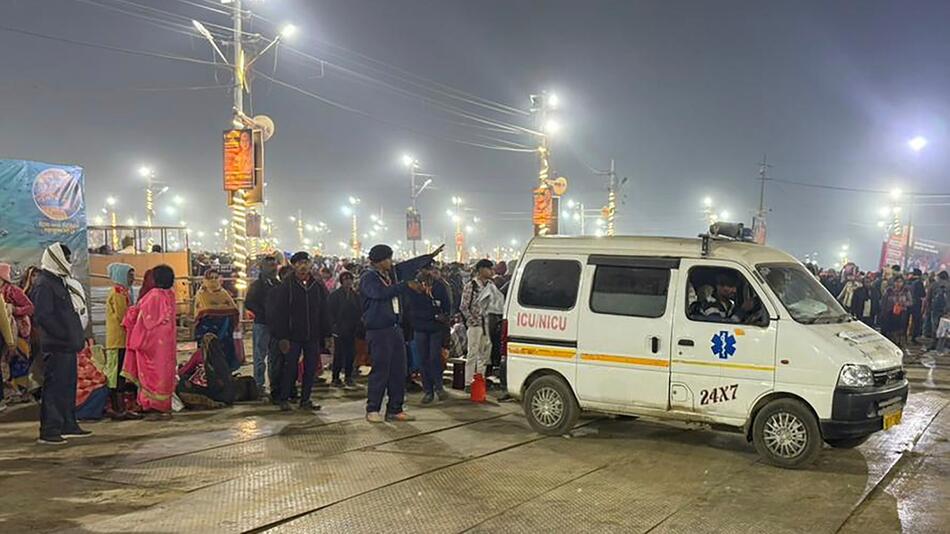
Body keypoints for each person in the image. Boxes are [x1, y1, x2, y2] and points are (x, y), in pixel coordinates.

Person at [30, 243, 89, 444]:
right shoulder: (44, 283)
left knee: (67, 386)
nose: (69, 261)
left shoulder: (60, 281)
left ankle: (68, 424)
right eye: (66, 257)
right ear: (56, 258)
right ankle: (50, 429)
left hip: (67, 345)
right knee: (55, 388)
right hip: (56, 346)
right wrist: (63, 334)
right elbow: (43, 316)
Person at [360, 244, 422, 422]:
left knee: (398, 370)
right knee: (381, 370)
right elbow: (379, 294)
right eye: (388, 258)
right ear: (379, 261)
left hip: (395, 328)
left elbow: (407, 268)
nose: (390, 261)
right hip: (379, 330)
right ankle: (373, 409)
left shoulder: (389, 276)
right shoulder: (369, 278)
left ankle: (395, 408)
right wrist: (403, 286)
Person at [266, 251, 331, 412]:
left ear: (310, 265)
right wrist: (282, 337)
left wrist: (327, 334)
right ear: (293, 266)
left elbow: (324, 311)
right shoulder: (286, 286)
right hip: (292, 336)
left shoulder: (317, 286)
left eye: (305, 263)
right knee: (289, 368)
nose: (303, 266)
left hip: (312, 336)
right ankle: (284, 398)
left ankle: (305, 399)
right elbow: (279, 313)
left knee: (310, 370)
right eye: (299, 263)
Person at [121, 265, 177, 418]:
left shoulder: (153, 296)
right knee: (165, 371)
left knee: (151, 373)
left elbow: (143, 319)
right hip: (166, 343)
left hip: (151, 342)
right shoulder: (170, 295)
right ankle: (164, 404)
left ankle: (150, 404)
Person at [406, 267, 451, 404]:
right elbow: (411, 310)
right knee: (423, 360)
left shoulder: (439, 286)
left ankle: (439, 387)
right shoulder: (414, 288)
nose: (426, 272)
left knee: (434, 359)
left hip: (435, 329)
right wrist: (434, 315)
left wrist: (445, 316)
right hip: (420, 328)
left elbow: (447, 304)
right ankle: (428, 391)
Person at [104, 263, 141, 419]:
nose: (132, 279)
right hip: (118, 340)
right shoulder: (118, 293)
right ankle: (118, 409)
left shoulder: (123, 292)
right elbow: (123, 316)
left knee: (118, 374)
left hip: (120, 339)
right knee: (116, 374)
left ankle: (119, 408)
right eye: (130, 275)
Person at [0, 263, 35, 408]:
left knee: (19, 362)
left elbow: (30, 308)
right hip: (3, 333)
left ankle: (23, 393)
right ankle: (11, 393)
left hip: (18, 333)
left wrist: (13, 310)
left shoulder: (13, 291)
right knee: (6, 364)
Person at [245, 256, 279, 397]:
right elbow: (249, 303)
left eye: (274, 265)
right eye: (270, 265)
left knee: (274, 357)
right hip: (262, 324)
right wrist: (263, 313)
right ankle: (259, 385)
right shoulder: (256, 286)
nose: (273, 268)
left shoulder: (277, 284)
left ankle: (274, 385)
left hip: (275, 325)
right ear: (262, 267)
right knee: (260, 356)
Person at [460, 259, 497, 388]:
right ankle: (469, 383)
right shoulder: (471, 285)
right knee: (472, 354)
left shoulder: (491, 285)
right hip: (475, 326)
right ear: (481, 270)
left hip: (487, 325)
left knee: (484, 356)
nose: (492, 272)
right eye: (489, 269)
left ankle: (480, 381)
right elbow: (464, 306)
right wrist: (472, 321)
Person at [194, 269, 240, 371]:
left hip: (225, 331)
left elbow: (233, 309)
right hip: (207, 329)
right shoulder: (201, 294)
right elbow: (204, 311)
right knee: (210, 354)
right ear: (205, 279)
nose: (213, 280)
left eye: (216, 278)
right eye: (211, 278)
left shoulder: (223, 293)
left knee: (225, 356)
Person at [328, 270, 362, 388]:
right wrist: (333, 326)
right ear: (341, 281)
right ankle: (335, 377)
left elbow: (359, 311)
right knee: (339, 354)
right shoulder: (335, 295)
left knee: (351, 354)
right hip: (339, 329)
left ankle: (348, 376)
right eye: (345, 279)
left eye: (350, 279)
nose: (348, 282)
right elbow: (330, 312)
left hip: (352, 329)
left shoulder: (355, 296)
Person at [880, 275, 913, 348]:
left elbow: (910, 302)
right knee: (890, 329)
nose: (898, 284)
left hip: (902, 313)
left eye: (900, 282)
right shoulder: (889, 290)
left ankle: (899, 343)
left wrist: (902, 304)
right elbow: (884, 301)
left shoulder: (906, 291)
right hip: (890, 313)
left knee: (900, 329)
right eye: (897, 282)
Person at [909, 269, 926, 343]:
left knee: (906, 320)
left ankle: (904, 337)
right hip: (916, 303)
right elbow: (923, 294)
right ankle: (914, 337)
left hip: (909, 302)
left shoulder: (909, 281)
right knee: (916, 321)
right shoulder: (919, 282)